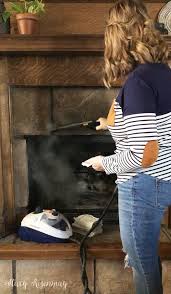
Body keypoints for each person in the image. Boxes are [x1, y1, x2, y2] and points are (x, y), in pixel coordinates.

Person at [83, 0, 171, 293]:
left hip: (142, 185)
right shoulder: (161, 73)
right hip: (161, 181)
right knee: (147, 260)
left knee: (142, 263)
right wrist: (109, 122)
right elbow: (152, 123)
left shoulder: (138, 83)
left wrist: (103, 163)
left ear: (116, 36)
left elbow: (145, 154)